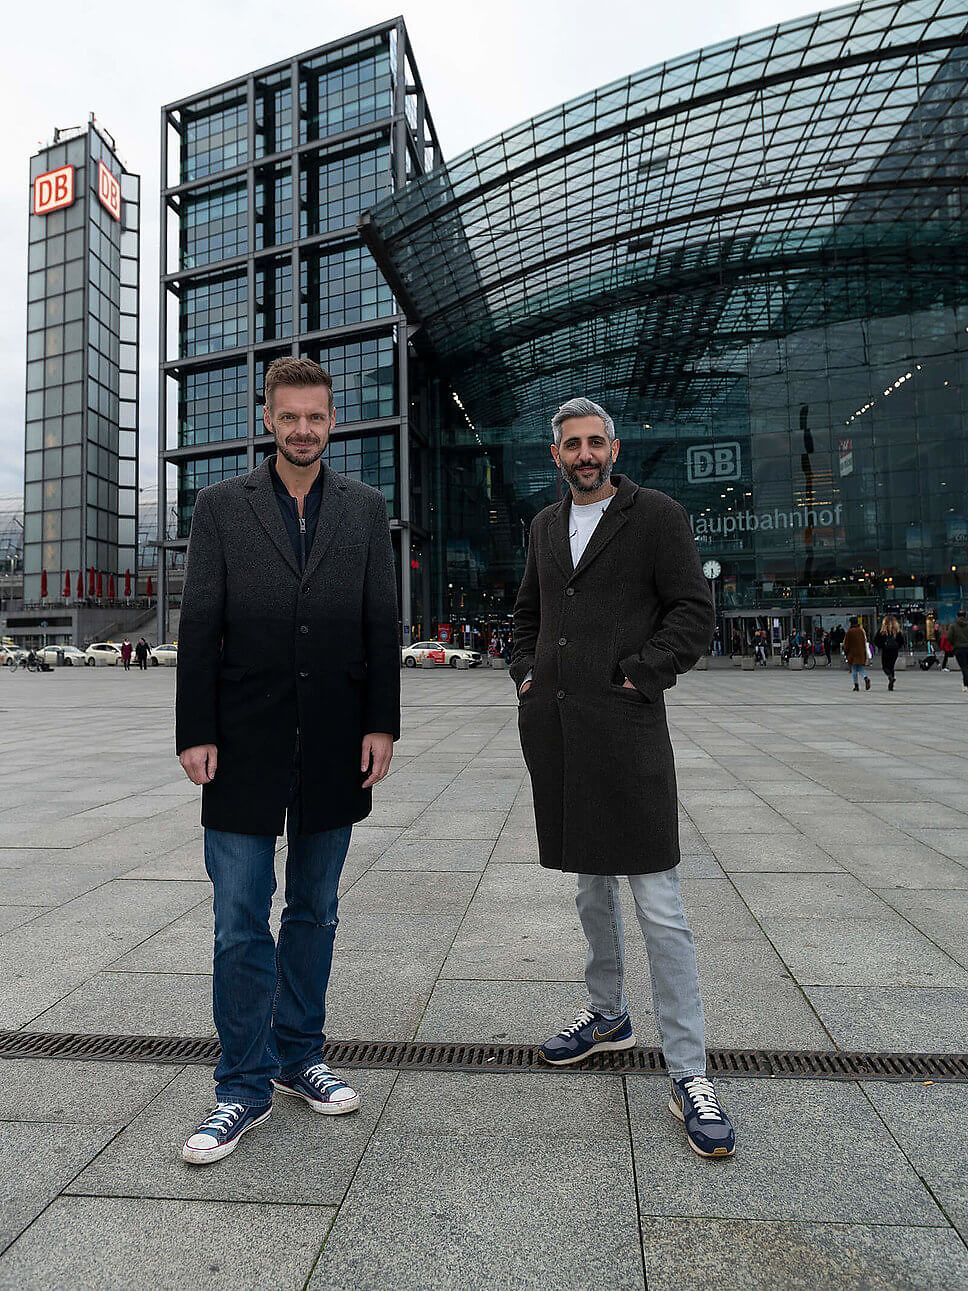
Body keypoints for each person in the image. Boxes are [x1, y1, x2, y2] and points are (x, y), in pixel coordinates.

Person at [176, 356, 400, 1165]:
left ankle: (300, 1050)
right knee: (239, 918)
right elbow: (200, 624)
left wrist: (384, 724)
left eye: (316, 417)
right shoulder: (220, 508)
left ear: (331, 421)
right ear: (267, 418)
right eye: (289, 416)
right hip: (240, 737)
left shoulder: (365, 508)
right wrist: (193, 730)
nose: (303, 429)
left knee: (316, 907)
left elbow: (381, 621)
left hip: (337, 737)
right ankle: (241, 1083)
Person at [511, 396, 735, 1160]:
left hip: (628, 731)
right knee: (588, 887)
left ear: (614, 446)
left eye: (593, 441)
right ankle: (607, 1017)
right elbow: (527, 614)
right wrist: (525, 675)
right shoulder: (544, 526)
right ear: (556, 454)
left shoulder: (657, 516)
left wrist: (641, 675)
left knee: (660, 903)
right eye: (570, 444)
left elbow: (692, 612)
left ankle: (690, 1071)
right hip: (562, 735)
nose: (583, 453)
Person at [873, 615, 904, 692]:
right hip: (894, 651)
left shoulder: (882, 631)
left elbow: (876, 640)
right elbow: (901, 641)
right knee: (891, 666)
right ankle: (891, 684)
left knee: (885, 666)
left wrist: (882, 646)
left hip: (886, 650)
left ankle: (890, 677)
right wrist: (897, 646)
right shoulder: (897, 631)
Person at [843, 616, 870, 692]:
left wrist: (846, 652)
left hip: (852, 653)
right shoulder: (861, 631)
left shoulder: (850, 631)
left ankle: (856, 685)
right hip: (861, 652)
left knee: (854, 669)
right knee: (860, 668)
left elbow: (846, 644)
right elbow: (863, 642)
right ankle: (865, 677)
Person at [948, 609, 968, 692]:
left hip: (959, 649)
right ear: (965, 616)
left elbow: (949, 638)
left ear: (957, 616)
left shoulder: (953, 626)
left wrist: (954, 644)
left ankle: (966, 684)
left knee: (964, 667)